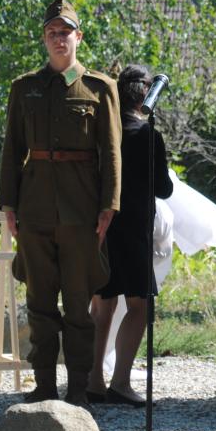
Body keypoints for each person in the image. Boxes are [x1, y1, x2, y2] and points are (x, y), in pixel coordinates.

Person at [0, 0, 122, 407]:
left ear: (78, 37)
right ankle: (45, 386)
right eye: (52, 32)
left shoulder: (100, 89)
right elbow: (12, 150)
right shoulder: (25, 88)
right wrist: (9, 205)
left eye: (65, 32)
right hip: (34, 211)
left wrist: (109, 207)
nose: (58, 39)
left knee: (77, 307)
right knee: (38, 303)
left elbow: (112, 153)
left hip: (81, 212)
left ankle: (80, 389)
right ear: (44, 38)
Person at [89, 65, 173, 407]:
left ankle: (93, 380)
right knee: (139, 306)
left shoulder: (100, 132)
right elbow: (164, 189)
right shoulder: (147, 135)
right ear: (145, 96)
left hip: (103, 229)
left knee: (103, 303)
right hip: (136, 229)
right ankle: (120, 382)